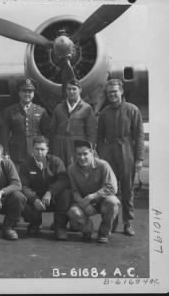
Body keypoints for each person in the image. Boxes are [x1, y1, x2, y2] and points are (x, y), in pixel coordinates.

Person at [97, 79, 145, 236]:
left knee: (127, 189)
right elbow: (99, 137)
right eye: (109, 93)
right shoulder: (104, 113)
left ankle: (128, 222)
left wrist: (139, 159)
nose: (112, 95)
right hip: (109, 153)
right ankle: (112, 221)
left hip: (127, 152)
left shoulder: (132, 110)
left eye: (115, 92)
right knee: (111, 189)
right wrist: (101, 156)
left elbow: (139, 136)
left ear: (121, 92)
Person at [67, 140, 120, 243]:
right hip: (84, 203)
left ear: (91, 152)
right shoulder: (71, 169)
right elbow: (74, 190)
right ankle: (87, 230)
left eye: (85, 154)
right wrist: (83, 204)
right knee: (73, 212)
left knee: (113, 202)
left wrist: (92, 197)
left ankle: (103, 233)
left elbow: (112, 188)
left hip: (102, 201)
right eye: (79, 154)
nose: (82, 157)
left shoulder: (103, 165)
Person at [20, 136, 71, 240]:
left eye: (42, 149)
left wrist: (50, 192)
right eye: (37, 149)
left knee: (66, 194)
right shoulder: (26, 164)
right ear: (32, 149)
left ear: (47, 149)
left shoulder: (56, 161)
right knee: (19, 197)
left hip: (52, 198)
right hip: (35, 199)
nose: (39, 152)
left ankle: (60, 227)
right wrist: (34, 199)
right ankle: (35, 223)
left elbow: (63, 180)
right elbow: (23, 186)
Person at [2, 78, 51, 169]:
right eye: (24, 91)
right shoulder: (9, 111)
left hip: (35, 153)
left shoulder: (41, 111)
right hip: (16, 153)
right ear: (19, 93)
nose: (27, 94)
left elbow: (47, 133)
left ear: (33, 93)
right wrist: (5, 152)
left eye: (30, 91)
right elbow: (4, 134)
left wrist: (45, 151)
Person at [50, 78, 97, 167]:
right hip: (59, 146)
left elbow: (92, 132)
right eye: (69, 89)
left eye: (74, 89)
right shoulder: (58, 108)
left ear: (80, 90)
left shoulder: (87, 109)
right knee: (59, 169)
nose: (71, 91)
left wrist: (90, 149)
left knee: (76, 169)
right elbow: (52, 130)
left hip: (77, 146)